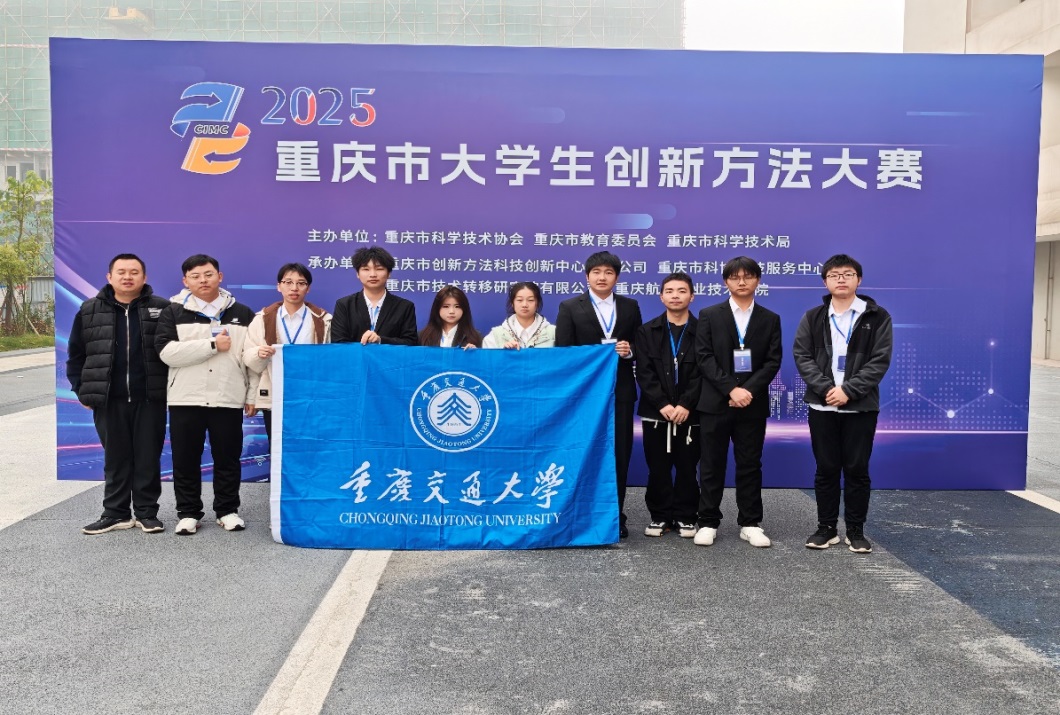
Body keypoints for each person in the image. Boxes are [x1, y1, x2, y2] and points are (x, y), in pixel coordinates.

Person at [793, 254, 893, 554]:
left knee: (857, 469)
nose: (841, 279)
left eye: (848, 274)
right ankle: (826, 528)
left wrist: (848, 390)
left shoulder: (877, 317)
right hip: (822, 406)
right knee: (826, 468)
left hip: (860, 407)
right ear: (825, 281)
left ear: (858, 280)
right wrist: (827, 389)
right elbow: (802, 356)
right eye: (834, 274)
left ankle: (855, 530)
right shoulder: (814, 317)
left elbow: (880, 360)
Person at [67, 254, 170, 535]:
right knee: (115, 458)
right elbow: (76, 355)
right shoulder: (89, 310)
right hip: (109, 399)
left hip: (150, 398)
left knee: (148, 457)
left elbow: (173, 352)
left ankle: (147, 513)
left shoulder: (162, 308)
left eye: (134, 272)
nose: (128, 277)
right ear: (109, 276)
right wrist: (81, 390)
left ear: (144, 277)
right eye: (121, 271)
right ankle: (116, 513)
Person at [156, 254, 255, 536]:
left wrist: (251, 395)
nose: (203, 280)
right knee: (185, 459)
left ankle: (227, 511)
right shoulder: (172, 312)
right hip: (186, 398)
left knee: (228, 458)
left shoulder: (243, 313)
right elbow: (167, 353)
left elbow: (249, 357)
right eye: (195, 276)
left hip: (228, 396)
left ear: (219, 277)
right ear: (185, 281)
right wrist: (211, 345)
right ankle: (188, 513)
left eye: (208, 274)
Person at [693, 256, 781, 549]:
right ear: (725, 282)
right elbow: (704, 357)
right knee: (711, 464)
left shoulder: (770, 318)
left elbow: (772, 361)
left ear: (758, 280)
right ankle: (707, 521)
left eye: (748, 276)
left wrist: (747, 391)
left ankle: (750, 523)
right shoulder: (709, 314)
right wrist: (731, 389)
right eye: (735, 277)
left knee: (750, 464)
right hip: (715, 403)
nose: (741, 282)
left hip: (751, 405)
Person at [555, 251, 643, 538]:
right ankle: (581, 516)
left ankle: (615, 516)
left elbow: (641, 346)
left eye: (608, 272)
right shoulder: (570, 307)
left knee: (619, 453)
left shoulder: (629, 306)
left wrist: (628, 351)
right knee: (584, 452)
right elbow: (564, 353)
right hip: (585, 395)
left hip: (620, 391)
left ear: (616, 277)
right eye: (596, 272)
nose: (602, 277)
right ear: (587, 276)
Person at [635, 272, 702, 539]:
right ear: (661, 296)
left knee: (687, 467)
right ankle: (660, 516)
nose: (676, 296)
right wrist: (662, 403)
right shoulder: (647, 330)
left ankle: (686, 516)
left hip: (691, 413)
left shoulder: (703, 330)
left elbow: (704, 371)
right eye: (670, 291)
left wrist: (685, 403)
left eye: (682, 291)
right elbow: (644, 372)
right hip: (656, 412)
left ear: (692, 296)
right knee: (658, 467)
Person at [243, 263, 332, 446]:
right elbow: (248, 359)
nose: (294, 288)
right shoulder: (262, 319)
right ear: (279, 286)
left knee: (310, 447)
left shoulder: (323, 320)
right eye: (288, 282)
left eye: (301, 283)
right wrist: (259, 353)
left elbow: (330, 360)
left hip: (310, 396)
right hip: (274, 395)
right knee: (278, 447)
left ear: (308, 288)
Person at [332, 246, 417, 345]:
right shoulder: (344, 305)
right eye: (366, 269)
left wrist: (380, 340)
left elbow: (410, 342)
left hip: (388, 356)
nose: (373, 274)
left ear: (389, 273)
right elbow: (338, 342)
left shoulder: (405, 307)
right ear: (358, 274)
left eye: (379, 269)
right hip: (355, 356)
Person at [482, 281, 556, 349]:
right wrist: (503, 353)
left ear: (537, 303)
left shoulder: (553, 333)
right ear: (512, 303)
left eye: (530, 300)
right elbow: (488, 358)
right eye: (519, 300)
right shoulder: (496, 335)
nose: (524, 305)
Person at [418, 285, 483, 348]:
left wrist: (475, 353)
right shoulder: (423, 336)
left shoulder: (475, 337)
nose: (451, 311)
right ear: (437, 308)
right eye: (446, 306)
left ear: (464, 309)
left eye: (457, 306)